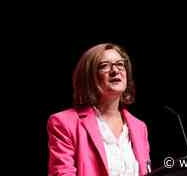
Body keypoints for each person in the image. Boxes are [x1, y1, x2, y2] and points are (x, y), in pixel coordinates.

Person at [47, 43, 151, 176]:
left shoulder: (139, 127)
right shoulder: (64, 123)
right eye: (104, 66)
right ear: (88, 77)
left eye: (120, 64)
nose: (115, 70)